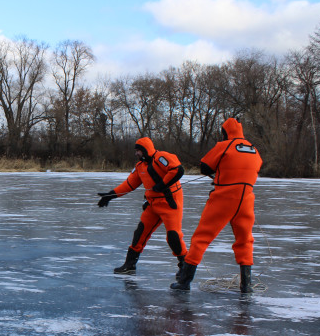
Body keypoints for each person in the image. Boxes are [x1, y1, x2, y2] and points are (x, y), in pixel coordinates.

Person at [171, 117, 262, 293]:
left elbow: (205, 166)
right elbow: (256, 167)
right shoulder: (254, 149)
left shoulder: (225, 145)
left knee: (201, 237)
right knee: (245, 240)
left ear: (225, 132)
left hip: (223, 198)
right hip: (246, 200)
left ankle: (184, 282)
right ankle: (246, 285)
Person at [97, 137, 187, 275]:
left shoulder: (161, 157)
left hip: (170, 203)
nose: (136, 153)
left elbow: (177, 170)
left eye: (138, 150)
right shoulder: (140, 167)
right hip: (152, 204)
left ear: (146, 150)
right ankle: (130, 265)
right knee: (139, 234)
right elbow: (129, 185)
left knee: (173, 237)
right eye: (136, 151)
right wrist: (110, 195)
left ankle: (185, 266)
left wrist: (162, 185)